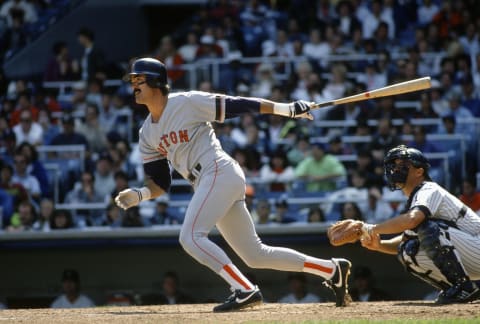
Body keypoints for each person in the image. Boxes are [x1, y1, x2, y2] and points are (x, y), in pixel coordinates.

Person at [115, 57, 352, 312]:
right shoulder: (146, 134)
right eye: (133, 81)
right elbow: (161, 182)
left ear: (156, 81)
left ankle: (243, 289)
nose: (134, 86)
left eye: (139, 80)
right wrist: (140, 195)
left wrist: (285, 109)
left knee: (190, 238)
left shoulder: (186, 102)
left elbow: (237, 104)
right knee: (255, 254)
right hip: (210, 181)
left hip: (217, 170)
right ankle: (331, 269)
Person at [360, 145, 480, 304]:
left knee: (427, 227)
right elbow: (405, 239)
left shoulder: (429, 189)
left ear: (419, 171)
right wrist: (379, 244)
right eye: (393, 165)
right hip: (469, 256)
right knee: (408, 250)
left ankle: (463, 287)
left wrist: (371, 228)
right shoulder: (415, 198)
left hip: (476, 244)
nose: (395, 170)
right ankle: (455, 288)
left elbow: (412, 219)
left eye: (402, 165)